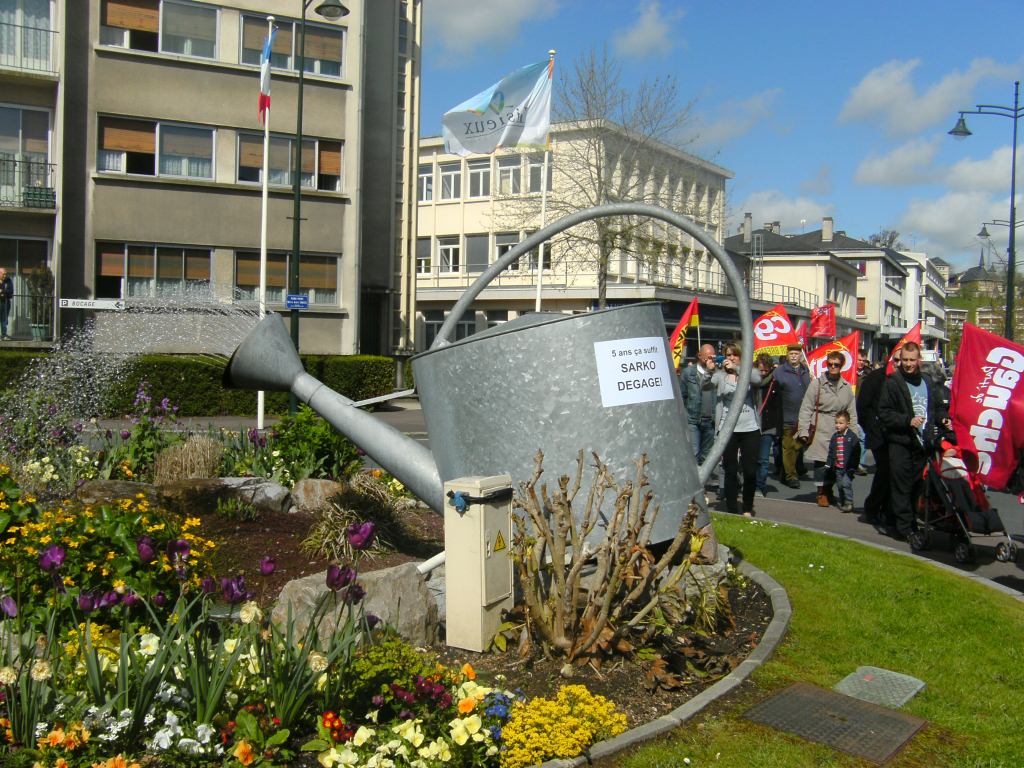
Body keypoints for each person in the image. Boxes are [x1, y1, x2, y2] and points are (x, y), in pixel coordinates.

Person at [877, 341, 950, 541]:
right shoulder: (893, 381)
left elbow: (936, 407)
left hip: (921, 444)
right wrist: (906, 421)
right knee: (901, 486)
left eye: (912, 360)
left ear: (919, 360)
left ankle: (899, 521)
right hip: (900, 441)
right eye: (905, 360)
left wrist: (943, 419)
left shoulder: (927, 381)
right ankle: (905, 528)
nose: (908, 364)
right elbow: (883, 413)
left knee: (916, 487)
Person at [797, 350, 857, 507]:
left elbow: (852, 412)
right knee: (821, 464)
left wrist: (855, 435)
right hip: (821, 426)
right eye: (830, 364)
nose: (833, 367)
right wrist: (803, 430)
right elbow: (806, 408)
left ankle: (829, 490)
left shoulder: (846, 387)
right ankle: (821, 492)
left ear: (841, 366)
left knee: (837, 464)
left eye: (836, 365)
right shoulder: (817, 384)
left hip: (840, 429)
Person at [712, 342, 762, 516]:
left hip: (750, 428)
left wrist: (737, 369)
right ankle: (732, 508)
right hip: (728, 429)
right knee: (730, 470)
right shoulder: (720, 376)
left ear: (741, 357)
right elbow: (706, 383)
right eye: (728, 355)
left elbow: (758, 379)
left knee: (750, 471)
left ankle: (748, 507)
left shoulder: (749, 372)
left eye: (734, 355)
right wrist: (710, 369)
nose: (731, 358)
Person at [857, 353, 895, 532]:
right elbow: (862, 407)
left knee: (895, 474)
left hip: (897, 435)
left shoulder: (902, 378)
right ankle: (872, 508)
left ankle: (889, 511)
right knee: (885, 472)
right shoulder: (875, 379)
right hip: (879, 435)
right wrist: (873, 429)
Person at [774, 343, 811, 488]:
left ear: (801, 355)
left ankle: (789, 469)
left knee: (798, 446)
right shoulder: (780, 372)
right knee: (788, 447)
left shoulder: (806, 370)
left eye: (796, 353)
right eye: (791, 354)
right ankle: (790, 476)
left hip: (804, 417)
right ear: (787, 355)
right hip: (787, 416)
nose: (794, 356)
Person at [680, 343, 717, 467]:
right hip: (693, 420)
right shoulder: (688, 373)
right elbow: (682, 395)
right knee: (694, 453)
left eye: (712, 356)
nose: (709, 359)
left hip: (710, 420)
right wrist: (685, 415)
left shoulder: (716, 373)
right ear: (699, 355)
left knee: (707, 455)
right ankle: (694, 483)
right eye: (706, 356)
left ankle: (704, 482)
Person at [754, 352, 782, 497]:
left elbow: (779, 408)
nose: (763, 373)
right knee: (751, 459)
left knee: (763, 459)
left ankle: (760, 485)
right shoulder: (750, 382)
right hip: (752, 425)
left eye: (766, 370)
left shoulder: (775, 384)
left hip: (768, 426)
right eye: (760, 369)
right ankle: (750, 484)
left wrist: (778, 429)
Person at [824, 409, 861, 512]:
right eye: (836, 423)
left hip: (848, 468)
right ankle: (843, 501)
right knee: (840, 485)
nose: (838, 425)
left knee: (846, 483)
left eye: (841, 423)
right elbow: (831, 452)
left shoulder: (852, 437)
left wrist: (854, 466)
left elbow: (856, 453)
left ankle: (849, 502)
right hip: (838, 467)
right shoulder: (835, 437)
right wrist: (828, 464)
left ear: (847, 424)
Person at [0, 267, 12, 340]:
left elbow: (11, 291)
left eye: (5, 274)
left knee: (4, 319)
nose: (5, 276)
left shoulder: (8, 280)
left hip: (5, 302)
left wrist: (2, 292)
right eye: (3, 274)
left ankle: (4, 335)